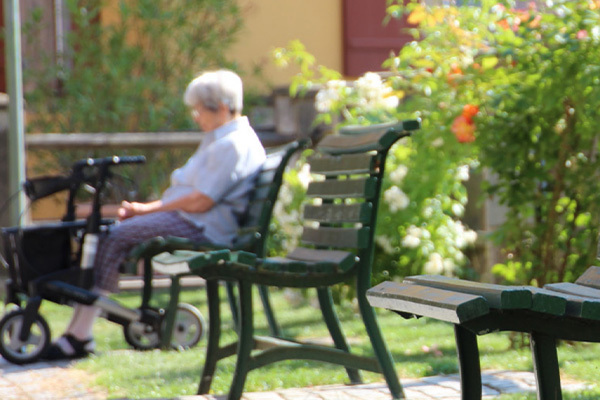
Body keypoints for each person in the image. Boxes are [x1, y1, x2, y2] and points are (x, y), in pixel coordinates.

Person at [45, 69, 266, 360]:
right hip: (195, 221)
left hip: (201, 226)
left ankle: (80, 334)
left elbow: (201, 201)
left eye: (199, 110)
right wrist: (145, 211)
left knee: (114, 236)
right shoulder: (223, 139)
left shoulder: (231, 144)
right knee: (108, 234)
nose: (196, 117)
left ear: (222, 108)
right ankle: (78, 331)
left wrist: (145, 210)